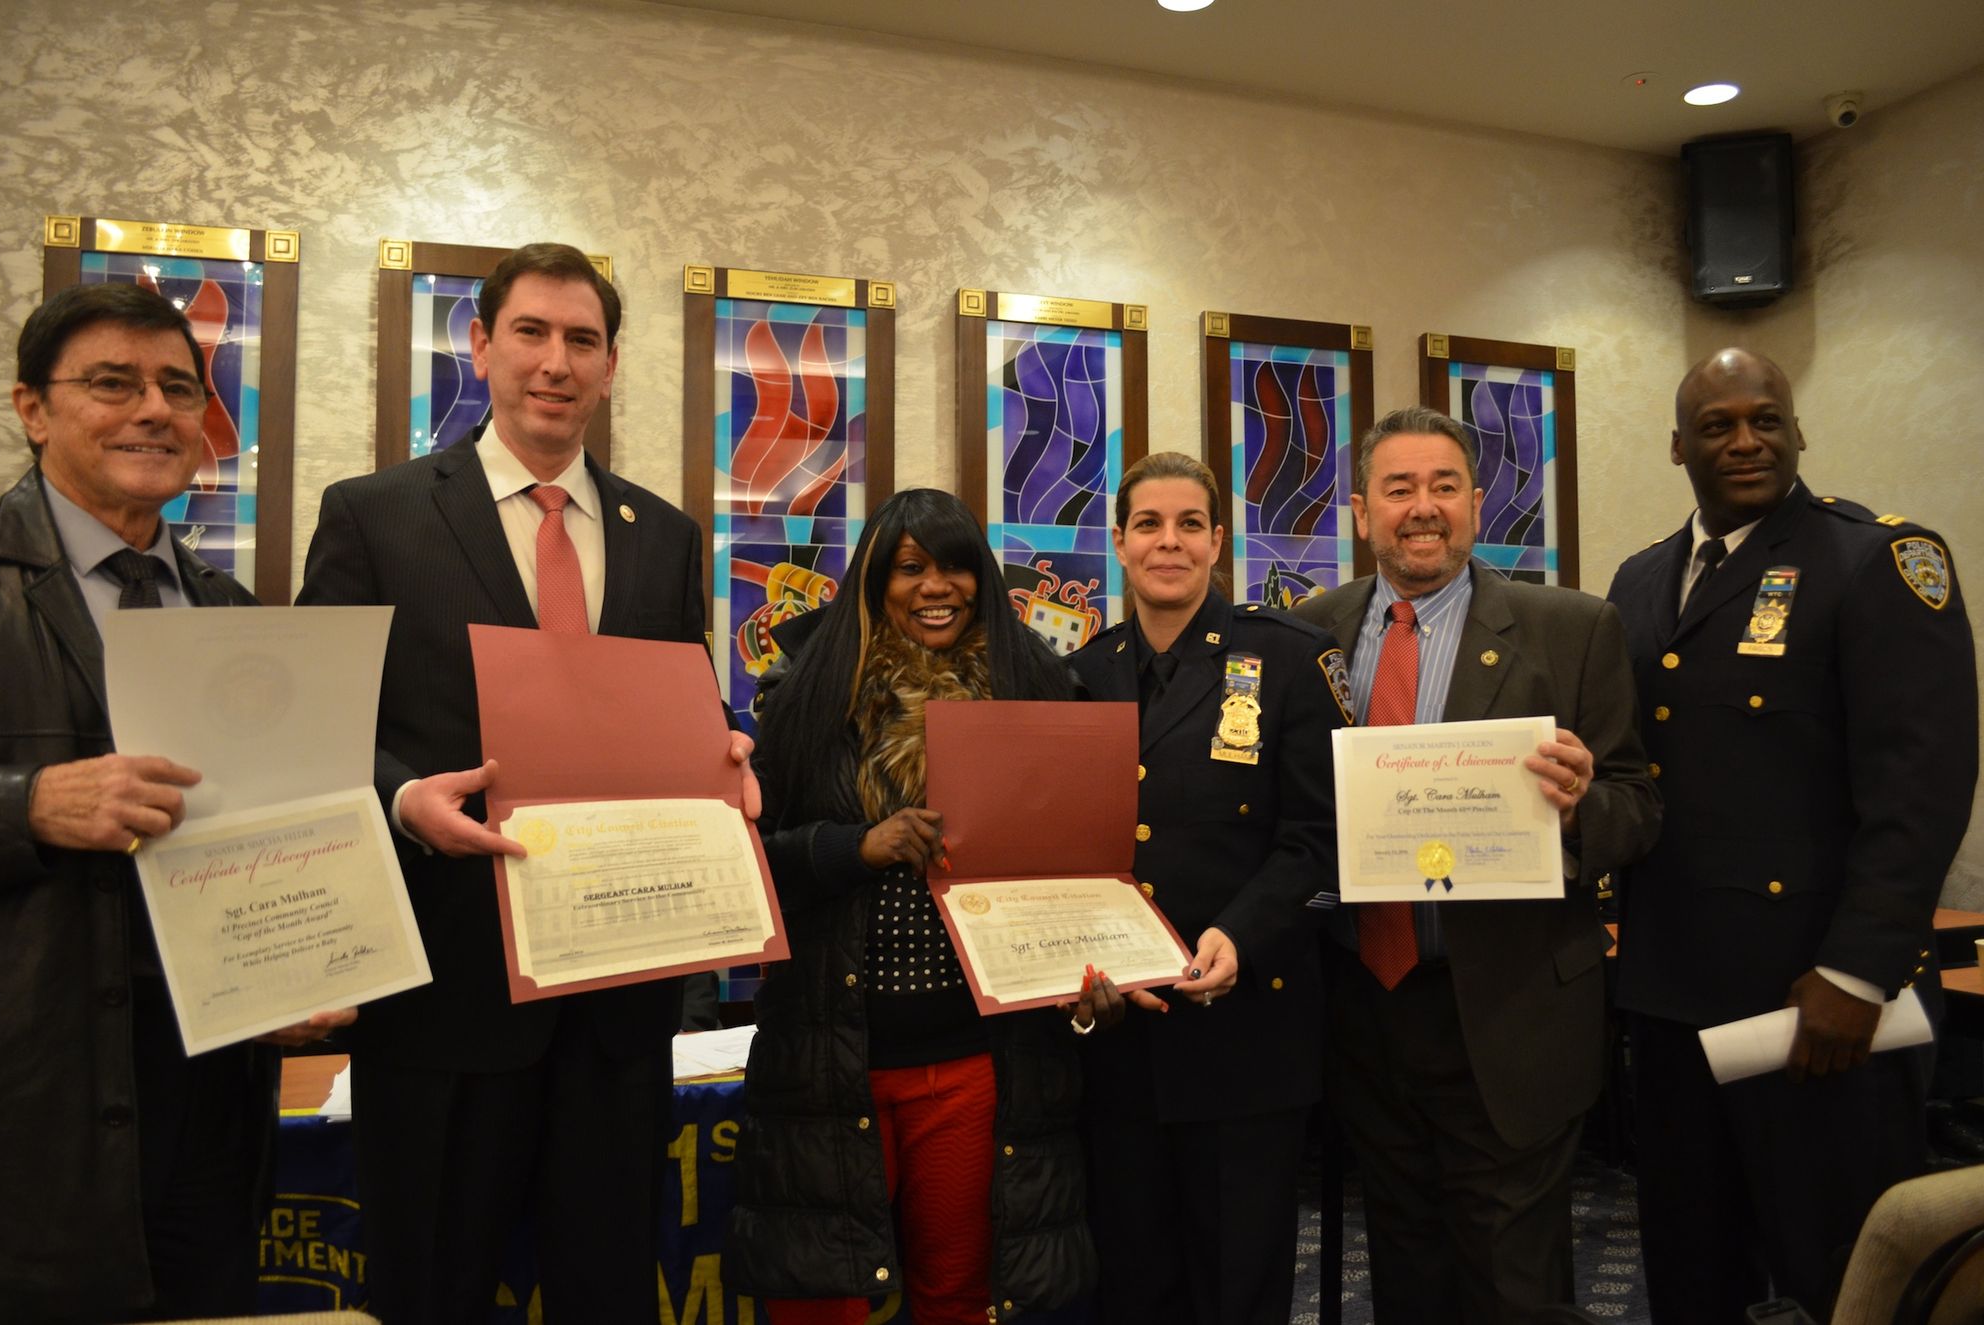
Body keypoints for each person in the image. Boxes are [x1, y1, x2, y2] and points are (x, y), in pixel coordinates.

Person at [297, 242, 752, 1324]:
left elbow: (674, 705)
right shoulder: (375, 512)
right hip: (442, 993)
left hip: (615, 1006)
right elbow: (316, 732)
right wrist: (404, 798)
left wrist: (723, 751)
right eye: (532, 333)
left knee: (606, 1291)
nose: (556, 361)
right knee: (433, 1287)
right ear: (481, 345)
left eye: (582, 340)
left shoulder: (664, 533)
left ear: (609, 364)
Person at [0, 283, 346, 1323]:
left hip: (210, 1103)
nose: (153, 408)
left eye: (177, 388)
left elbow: (266, 829)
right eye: (112, 382)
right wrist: (27, 803)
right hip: (25, 1108)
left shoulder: (231, 612)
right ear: (34, 407)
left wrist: (302, 963)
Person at [1607, 348, 1978, 1320]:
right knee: (1689, 1271)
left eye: (1764, 419)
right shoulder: (1641, 581)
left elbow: (1920, 786)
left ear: (1796, 430)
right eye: (1718, 424)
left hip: (1816, 1006)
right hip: (1671, 1000)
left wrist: (1857, 972)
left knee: (1843, 1277)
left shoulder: (1874, 560)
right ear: (1675, 444)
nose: (1743, 440)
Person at [1295, 405, 1658, 1323]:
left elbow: (1638, 806)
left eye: (1445, 487)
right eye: (1400, 488)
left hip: (1510, 1005)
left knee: (1511, 1280)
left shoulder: (1572, 628)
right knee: (1405, 1263)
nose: (1424, 508)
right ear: (1360, 510)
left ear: (1478, 503)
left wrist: (1580, 806)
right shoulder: (1311, 632)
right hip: (1366, 1007)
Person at [724, 487, 1116, 1324]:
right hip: (827, 1058)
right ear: (876, 581)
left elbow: (1078, 872)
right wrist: (850, 847)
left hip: (974, 1063)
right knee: (817, 1301)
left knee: (959, 1295)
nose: (935, 586)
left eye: (955, 567)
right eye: (909, 569)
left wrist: (1089, 977)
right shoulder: (801, 698)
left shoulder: (1041, 694)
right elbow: (743, 863)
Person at [1073, 451, 1349, 1325]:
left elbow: (1322, 841)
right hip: (1116, 1045)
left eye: (1190, 524)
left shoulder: (1291, 658)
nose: (1169, 542)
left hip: (1244, 1043)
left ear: (1217, 540)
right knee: (1132, 1285)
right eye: (1149, 524)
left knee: (1238, 1290)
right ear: (1118, 542)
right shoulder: (1081, 676)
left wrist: (1245, 932)